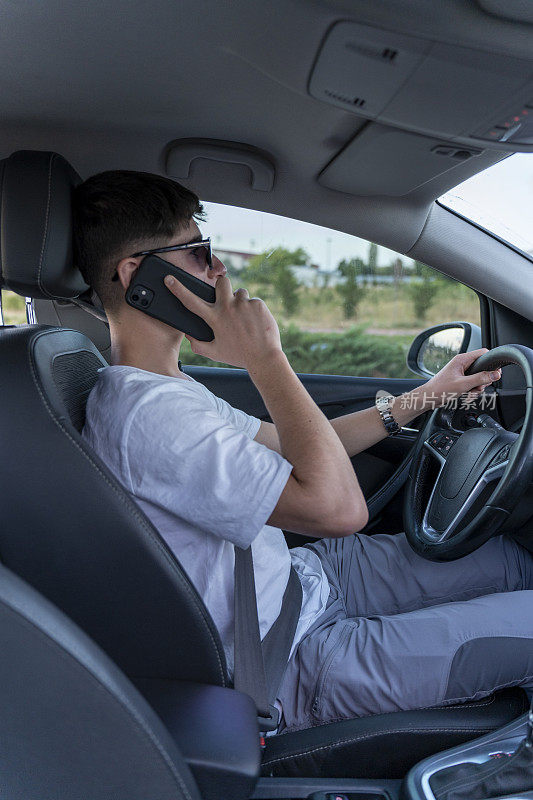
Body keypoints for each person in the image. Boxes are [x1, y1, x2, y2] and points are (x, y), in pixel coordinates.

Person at [74, 170, 533, 734]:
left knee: (512, 559)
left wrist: (424, 398)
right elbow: (339, 512)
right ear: (137, 275)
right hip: (288, 656)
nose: (219, 271)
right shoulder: (147, 417)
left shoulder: (167, 392)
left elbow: (301, 449)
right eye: (199, 252)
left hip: (306, 578)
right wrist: (265, 357)